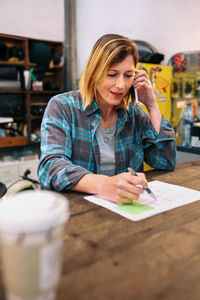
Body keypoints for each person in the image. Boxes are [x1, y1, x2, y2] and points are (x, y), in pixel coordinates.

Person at [38, 34, 176, 204]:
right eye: (112, 74)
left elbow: (165, 161)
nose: (121, 85)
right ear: (94, 73)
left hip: (123, 212)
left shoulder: (134, 114)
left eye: (128, 75)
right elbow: (51, 167)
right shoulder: (63, 106)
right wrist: (105, 185)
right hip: (76, 213)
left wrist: (151, 105)